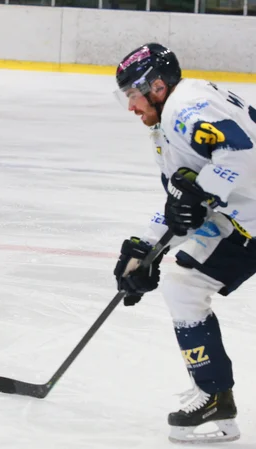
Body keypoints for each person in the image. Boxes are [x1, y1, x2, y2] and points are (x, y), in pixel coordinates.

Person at [113, 42, 256, 443]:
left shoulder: (184, 109)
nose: (131, 108)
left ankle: (215, 397)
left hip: (250, 219)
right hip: (244, 220)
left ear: (157, 87)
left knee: (184, 283)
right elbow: (183, 202)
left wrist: (199, 195)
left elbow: (242, 157)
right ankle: (215, 398)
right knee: (182, 281)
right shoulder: (169, 123)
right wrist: (144, 246)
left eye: (134, 96)